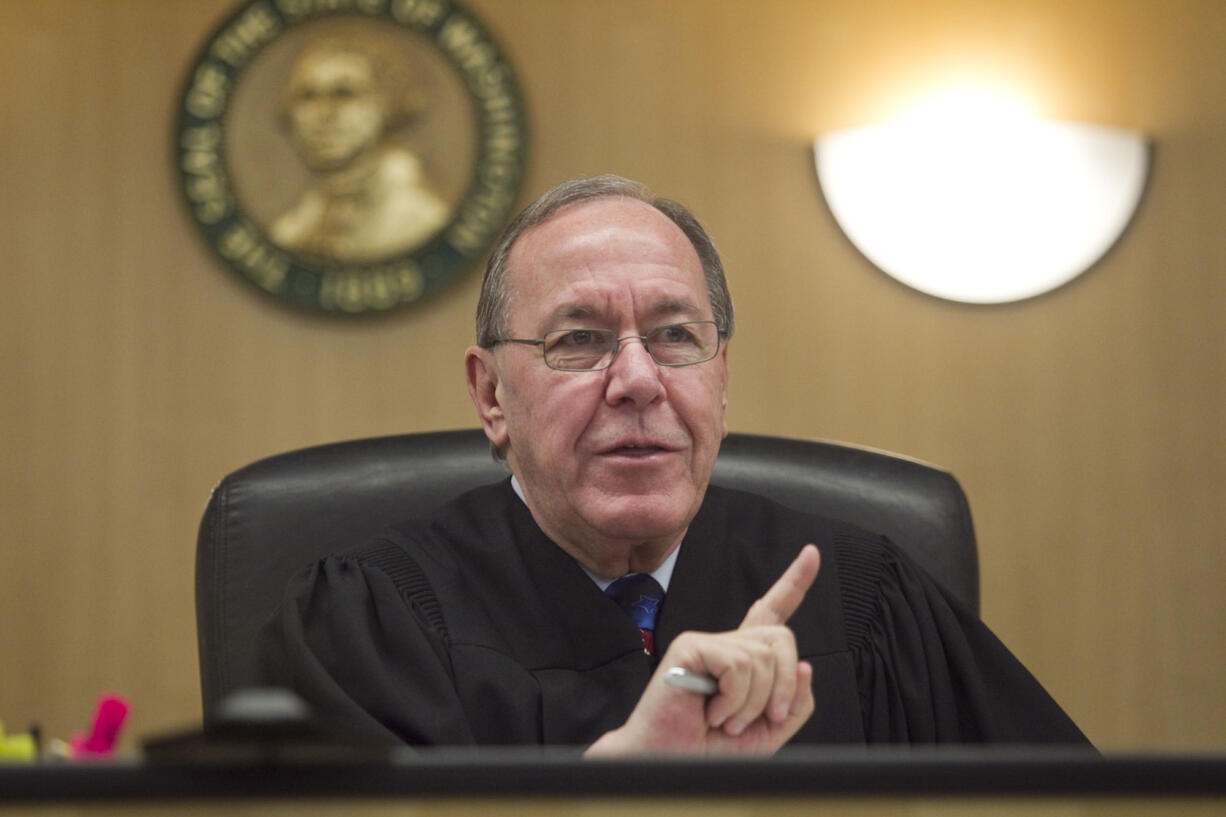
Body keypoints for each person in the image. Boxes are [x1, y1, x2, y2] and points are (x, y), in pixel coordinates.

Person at [259, 175, 1089, 754]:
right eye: (578, 339)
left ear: (721, 381)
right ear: (491, 396)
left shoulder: (863, 599)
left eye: (675, 336)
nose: (637, 380)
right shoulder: (369, 621)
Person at [269, 32, 449, 263]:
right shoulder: (291, 230)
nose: (323, 114)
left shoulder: (421, 219)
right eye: (308, 97)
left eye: (344, 94)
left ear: (386, 104)